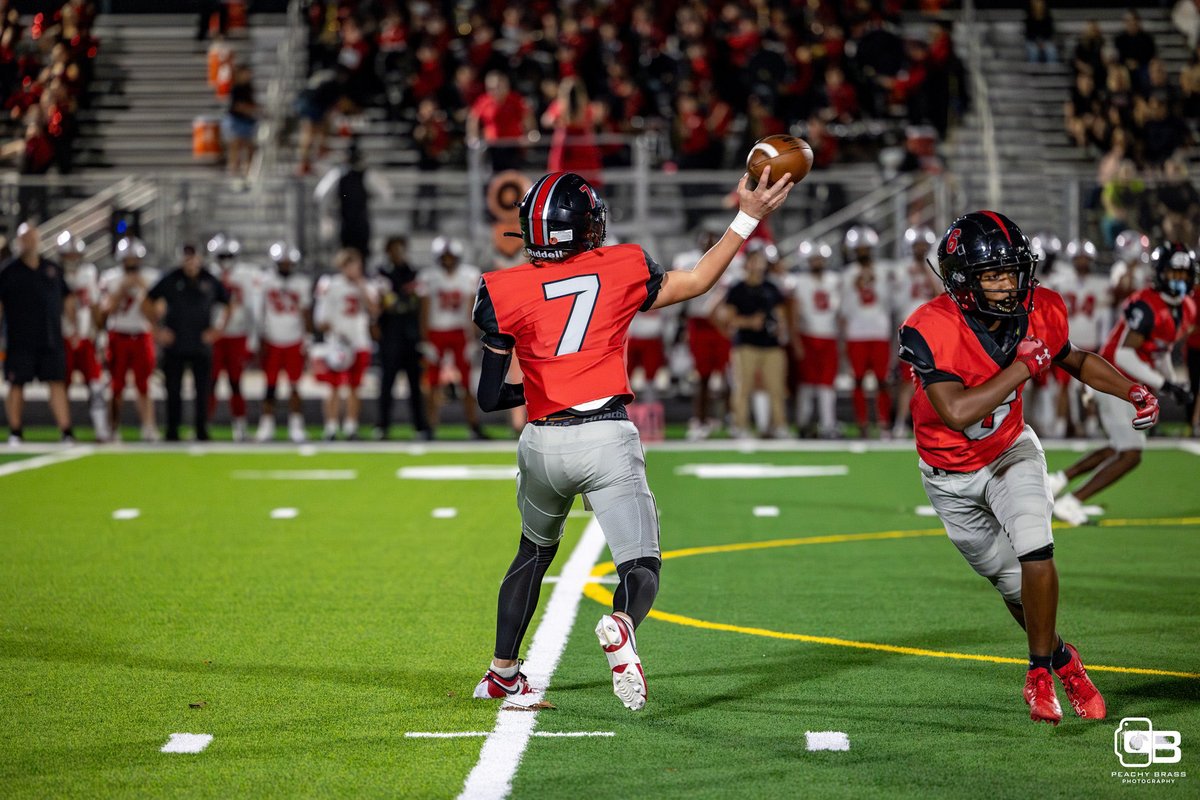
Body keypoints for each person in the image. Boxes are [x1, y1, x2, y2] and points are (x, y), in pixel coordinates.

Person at [469, 167, 794, 711]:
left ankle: (502, 674)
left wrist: (552, 388)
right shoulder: (622, 265)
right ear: (588, 228)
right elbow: (698, 281)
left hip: (543, 440)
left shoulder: (499, 289)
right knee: (640, 565)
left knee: (532, 553)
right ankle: (621, 624)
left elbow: (489, 397)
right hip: (605, 436)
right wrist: (747, 217)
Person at [898, 210, 1158, 725]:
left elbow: (1075, 358)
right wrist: (1023, 365)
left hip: (1010, 449)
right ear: (960, 279)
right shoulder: (929, 327)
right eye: (991, 274)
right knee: (1015, 586)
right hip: (949, 478)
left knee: (1037, 547)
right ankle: (1063, 656)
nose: (1006, 283)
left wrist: (1130, 388)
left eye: (1011, 271)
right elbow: (956, 411)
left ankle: (1039, 672)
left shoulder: (1041, 309)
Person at [1050, 243, 1197, 525]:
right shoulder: (1146, 304)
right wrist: (1165, 385)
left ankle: (1058, 481)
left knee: (1120, 446)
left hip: (1130, 384)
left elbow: (1161, 349)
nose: (1179, 280)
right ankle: (1072, 501)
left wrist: (1171, 382)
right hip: (1112, 378)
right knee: (1131, 454)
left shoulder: (1185, 307)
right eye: (1173, 273)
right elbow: (1123, 354)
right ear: (1160, 274)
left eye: (1183, 274)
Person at [143, 244, 230, 442]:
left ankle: (201, 429)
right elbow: (147, 302)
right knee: (173, 390)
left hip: (200, 343)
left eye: (193, 257)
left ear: (199, 259)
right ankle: (172, 430)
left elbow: (228, 303)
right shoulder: (171, 279)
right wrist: (157, 330)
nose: (190, 262)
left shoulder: (209, 279)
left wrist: (218, 330)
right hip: (176, 343)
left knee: (203, 390)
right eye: (187, 258)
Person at [0, 222, 75, 444]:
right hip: (19, 338)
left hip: (50, 338)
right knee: (16, 384)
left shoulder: (51, 269)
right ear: (18, 241)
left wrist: (73, 324)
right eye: (25, 239)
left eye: (33, 238)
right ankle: (15, 431)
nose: (29, 243)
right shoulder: (8, 271)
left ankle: (66, 431)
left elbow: (67, 297)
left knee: (56, 383)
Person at [719, 239, 790, 439]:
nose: (758, 264)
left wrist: (780, 328)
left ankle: (779, 425)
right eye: (754, 259)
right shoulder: (737, 288)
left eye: (761, 260)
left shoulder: (772, 287)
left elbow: (781, 313)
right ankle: (740, 426)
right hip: (746, 344)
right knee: (743, 388)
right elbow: (729, 318)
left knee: (776, 388)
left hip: (771, 344)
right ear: (747, 262)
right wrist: (749, 322)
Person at [419, 237, 486, 439]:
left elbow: (471, 308)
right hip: (436, 331)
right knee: (431, 382)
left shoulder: (469, 275)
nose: (448, 261)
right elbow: (424, 309)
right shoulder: (429, 277)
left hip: (460, 332)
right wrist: (425, 338)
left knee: (467, 383)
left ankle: (473, 425)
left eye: (451, 257)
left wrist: (473, 337)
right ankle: (430, 425)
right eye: (444, 257)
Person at [1045, 239, 1111, 438]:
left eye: (1085, 258)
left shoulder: (1100, 284)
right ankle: (1061, 424)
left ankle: (1091, 422)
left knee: (1089, 386)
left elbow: (1104, 317)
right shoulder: (1060, 282)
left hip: (1090, 342)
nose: (1082, 262)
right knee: (1063, 387)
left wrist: (1103, 341)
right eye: (1079, 258)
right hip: (1068, 343)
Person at [312, 248, 379, 440]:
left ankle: (351, 427)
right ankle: (331, 427)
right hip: (337, 344)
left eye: (356, 265)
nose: (354, 269)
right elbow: (321, 320)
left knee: (354, 387)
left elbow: (375, 310)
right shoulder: (330, 285)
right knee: (332, 386)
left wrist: (361, 286)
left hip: (359, 342)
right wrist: (336, 334)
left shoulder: (366, 286)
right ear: (342, 266)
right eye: (350, 265)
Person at [98, 236, 160, 442]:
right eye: (128, 261)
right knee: (116, 385)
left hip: (141, 335)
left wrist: (144, 292)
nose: (132, 265)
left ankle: (148, 426)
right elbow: (107, 310)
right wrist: (121, 290)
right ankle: (113, 427)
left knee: (144, 385)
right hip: (118, 335)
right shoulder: (111, 278)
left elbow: (154, 315)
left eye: (135, 261)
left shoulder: (150, 278)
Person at [373, 236, 431, 441]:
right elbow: (384, 303)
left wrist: (423, 335)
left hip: (410, 333)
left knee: (415, 384)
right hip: (390, 333)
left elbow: (421, 302)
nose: (398, 253)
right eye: (394, 249)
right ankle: (382, 425)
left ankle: (420, 425)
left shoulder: (413, 272)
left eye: (400, 249)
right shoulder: (382, 273)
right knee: (386, 382)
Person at [675, 228, 730, 440]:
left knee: (726, 376)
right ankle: (699, 419)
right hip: (698, 323)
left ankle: (726, 418)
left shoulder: (728, 261)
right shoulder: (689, 261)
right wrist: (681, 326)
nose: (708, 243)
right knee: (702, 375)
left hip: (720, 324)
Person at [841, 225, 895, 437]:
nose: (863, 252)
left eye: (866, 248)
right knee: (858, 380)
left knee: (883, 380)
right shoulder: (847, 275)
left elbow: (888, 303)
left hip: (879, 331)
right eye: (859, 249)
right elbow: (844, 308)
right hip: (856, 332)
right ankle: (862, 423)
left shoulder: (883, 271)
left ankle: (883, 423)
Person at [255, 242, 311, 443]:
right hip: (272, 338)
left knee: (295, 385)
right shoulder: (266, 281)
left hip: (294, 338)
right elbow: (259, 310)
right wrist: (259, 337)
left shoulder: (301, 283)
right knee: (270, 386)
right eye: (283, 263)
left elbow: (305, 312)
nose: (286, 266)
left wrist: (308, 338)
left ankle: (296, 424)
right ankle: (267, 424)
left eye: (288, 263)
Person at [206, 234, 259, 442]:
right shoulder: (209, 275)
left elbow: (252, 309)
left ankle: (240, 427)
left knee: (236, 383)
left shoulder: (246, 275)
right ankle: (204, 424)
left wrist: (252, 339)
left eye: (228, 255)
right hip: (215, 336)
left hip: (237, 335)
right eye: (222, 255)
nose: (225, 259)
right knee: (209, 383)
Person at [57, 230, 108, 440]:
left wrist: (100, 332)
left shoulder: (88, 272)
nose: (71, 259)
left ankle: (101, 429)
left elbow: (95, 306)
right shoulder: (54, 274)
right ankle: (66, 430)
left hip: (86, 338)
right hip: (63, 338)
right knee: (61, 386)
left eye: (74, 255)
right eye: (67, 255)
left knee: (96, 385)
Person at [892, 226, 941, 438]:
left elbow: (940, 294)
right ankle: (901, 423)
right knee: (906, 379)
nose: (920, 248)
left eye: (923, 245)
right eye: (917, 245)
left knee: (934, 378)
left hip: (933, 326)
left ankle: (929, 423)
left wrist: (927, 271)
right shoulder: (901, 269)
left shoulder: (935, 267)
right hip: (910, 326)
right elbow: (896, 301)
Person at [792, 240, 841, 438]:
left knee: (827, 383)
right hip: (808, 336)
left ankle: (827, 424)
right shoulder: (799, 281)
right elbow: (794, 313)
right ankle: (804, 423)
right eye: (814, 259)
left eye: (820, 259)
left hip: (829, 336)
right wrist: (796, 340)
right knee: (807, 384)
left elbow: (839, 313)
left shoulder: (834, 280)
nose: (817, 262)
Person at [313, 139, 392, 259]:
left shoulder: (363, 175)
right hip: (346, 221)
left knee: (360, 255)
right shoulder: (339, 175)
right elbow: (321, 195)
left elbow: (386, 194)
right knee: (347, 255)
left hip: (358, 222)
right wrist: (327, 216)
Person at [222, 64, 258, 182]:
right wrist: (249, 109)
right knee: (236, 145)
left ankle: (248, 170)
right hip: (236, 120)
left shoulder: (249, 88)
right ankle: (233, 169)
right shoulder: (236, 88)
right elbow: (237, 106)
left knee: (249, 147)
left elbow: (251, 104)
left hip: (247, 121)